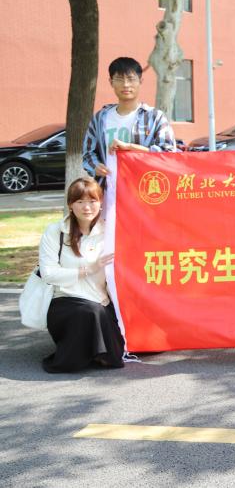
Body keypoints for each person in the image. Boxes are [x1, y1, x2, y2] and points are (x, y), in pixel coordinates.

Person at [38, 177, 123, 373]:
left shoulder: (110, 232)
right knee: (89, 312)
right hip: (65, 300)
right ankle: (78, 356)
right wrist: (87, 270)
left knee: (100, 316)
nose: (87, 207)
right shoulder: (55, 231)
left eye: (92, 201)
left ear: (101, 203)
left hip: (101, 301)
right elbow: (48, 273)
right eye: (80, 201)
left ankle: (98, 352)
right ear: (70, 204)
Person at [82, 57, 177, 180]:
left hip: (143, 186)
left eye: (131, 79)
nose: (126, 84)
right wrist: (95, 166)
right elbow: (88, 153)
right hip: (108, 188)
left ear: (140, 81)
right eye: (119, 79)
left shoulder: (155, 117)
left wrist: (130, 147)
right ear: (111, 82)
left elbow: (168, 154)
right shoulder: (100, 118)